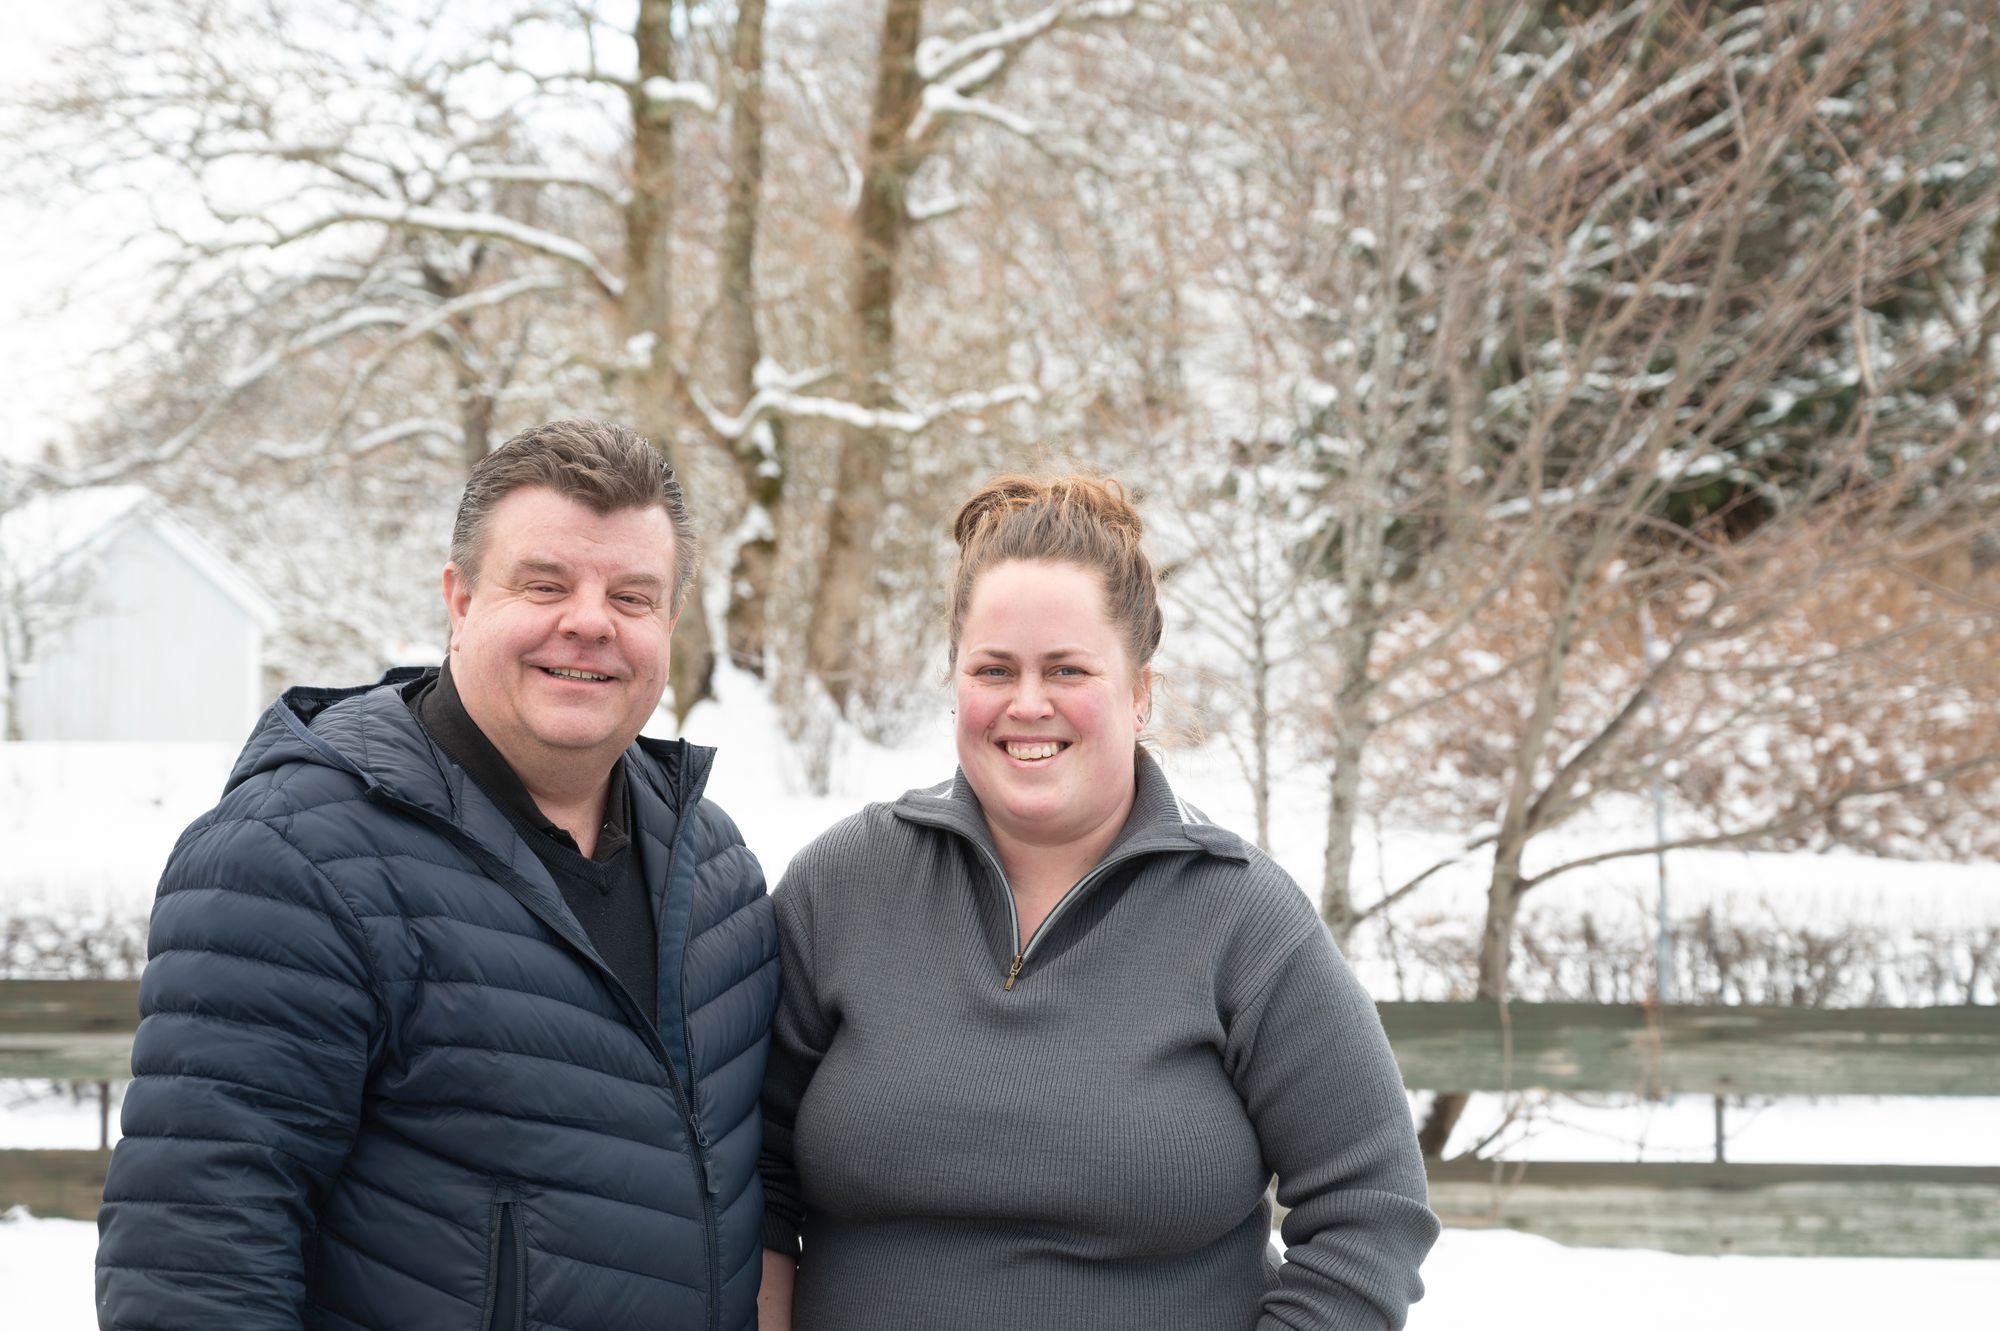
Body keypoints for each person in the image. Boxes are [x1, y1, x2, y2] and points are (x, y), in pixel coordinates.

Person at [96, 420, 779, 1331]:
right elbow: (194, 1264)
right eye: (544, 583)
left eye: (632, 594)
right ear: (458, 599)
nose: (589, 621)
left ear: (670, 623)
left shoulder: (719, 873)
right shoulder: (295, 858)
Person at [757, 474, 1438, 1330]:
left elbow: (1371, 1204)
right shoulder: (842, 886)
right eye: (994, 669)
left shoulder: (1244, 919)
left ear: (1140, 690)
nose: (1027, 703)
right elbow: (752, 1171)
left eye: (1068, 669)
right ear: (956, 681)